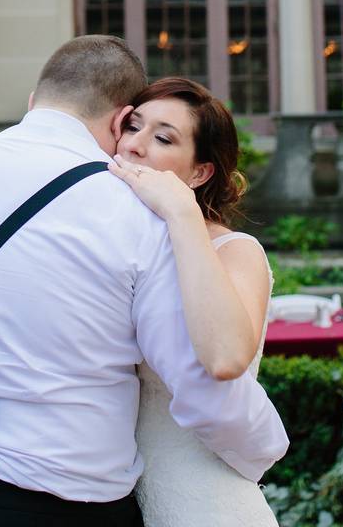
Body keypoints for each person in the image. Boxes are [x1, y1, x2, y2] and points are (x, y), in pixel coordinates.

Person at [0, 35, 288, 527]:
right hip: (61, 502)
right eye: (136, 127)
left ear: (34, 103)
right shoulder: (133, 214)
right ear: (119, 121)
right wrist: (268, 450)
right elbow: (201, 385)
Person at [108, 77, 278, 526]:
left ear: (199, 172)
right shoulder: (113, 244)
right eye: (132, 126)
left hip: (203, 502)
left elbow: (225, 357)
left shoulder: (235, 251)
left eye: (163, 137)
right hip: (112, 497)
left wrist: (181, 212)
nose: (135, 146)